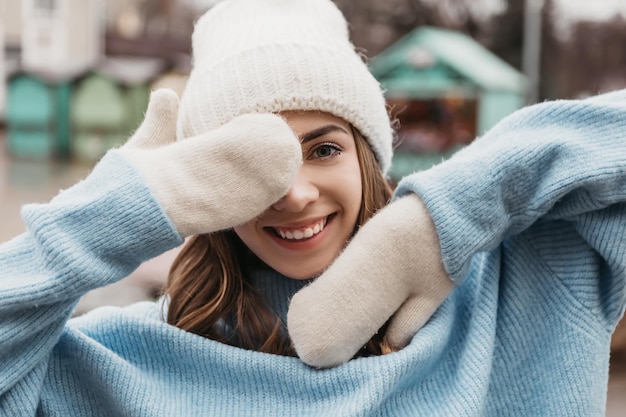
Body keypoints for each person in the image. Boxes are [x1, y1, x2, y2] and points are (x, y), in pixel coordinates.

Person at [1, 0, 624, 416]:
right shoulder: (117, 364)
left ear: (368, 156)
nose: (295, 193)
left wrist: (445, 220)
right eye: (249, 165)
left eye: (323, 148)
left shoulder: (525, 281)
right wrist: (118, 210)